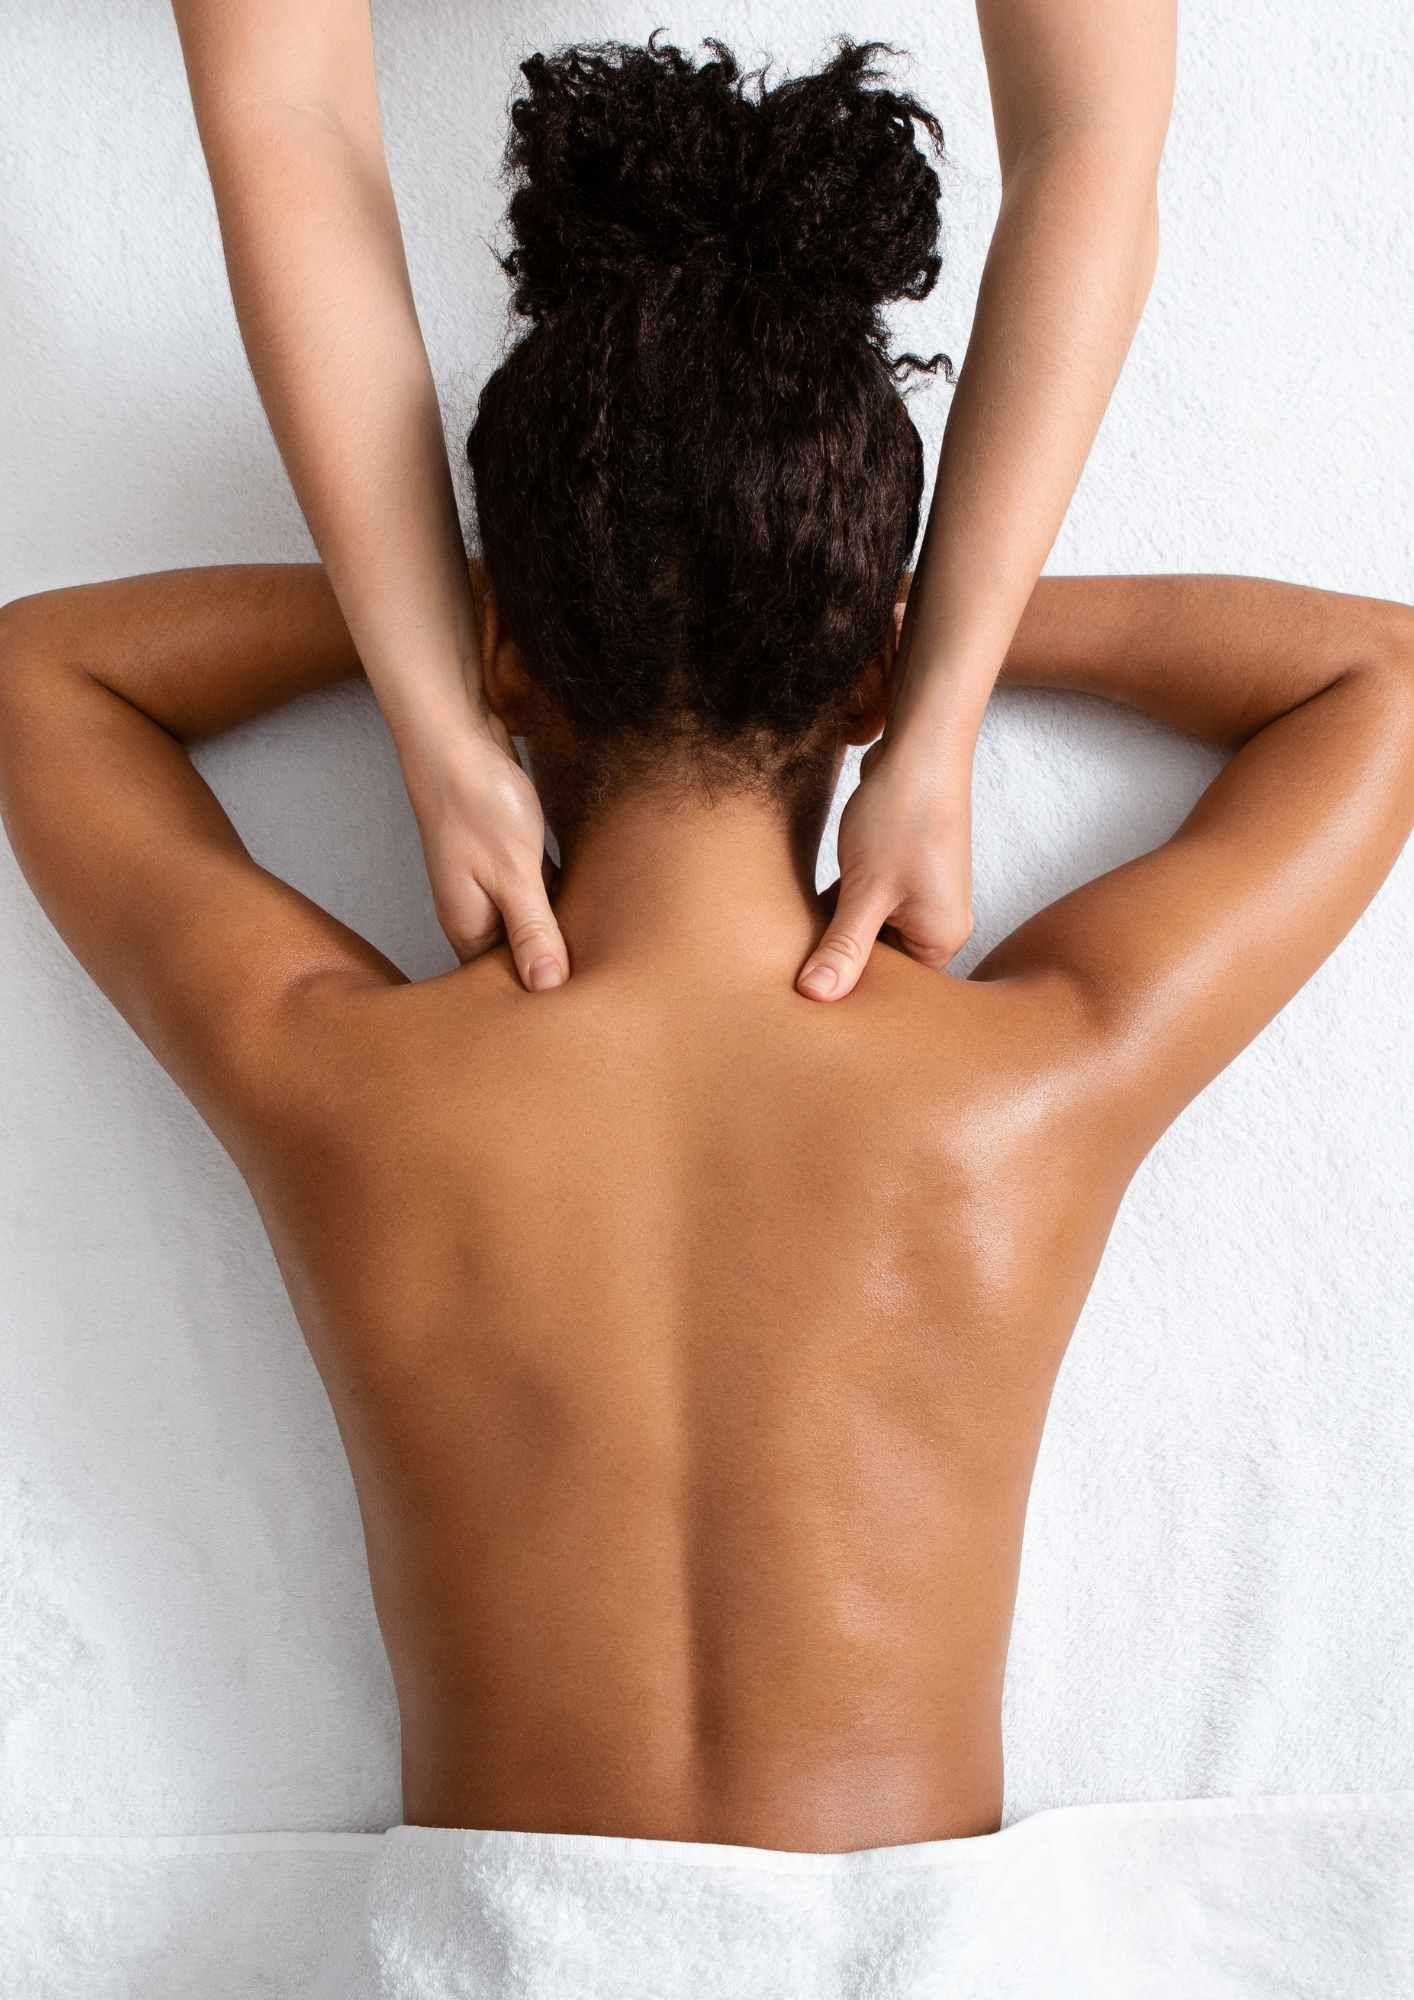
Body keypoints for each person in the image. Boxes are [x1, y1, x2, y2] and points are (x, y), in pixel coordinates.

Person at [1, 30, 1410, 1976]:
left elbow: (42, 676)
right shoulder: (1024, 1080)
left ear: (509, 642)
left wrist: (495, 622)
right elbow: (1373, 683)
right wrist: (903, 648)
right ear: (846, 664)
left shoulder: (349, 1080)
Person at [170, 0, 1174, 998]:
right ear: (876, 669)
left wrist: (455, 681)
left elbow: (288, 119)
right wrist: (919, 677)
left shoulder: (341, 1072)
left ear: (503, 652)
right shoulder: (1042, 1070)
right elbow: (1093, 144)